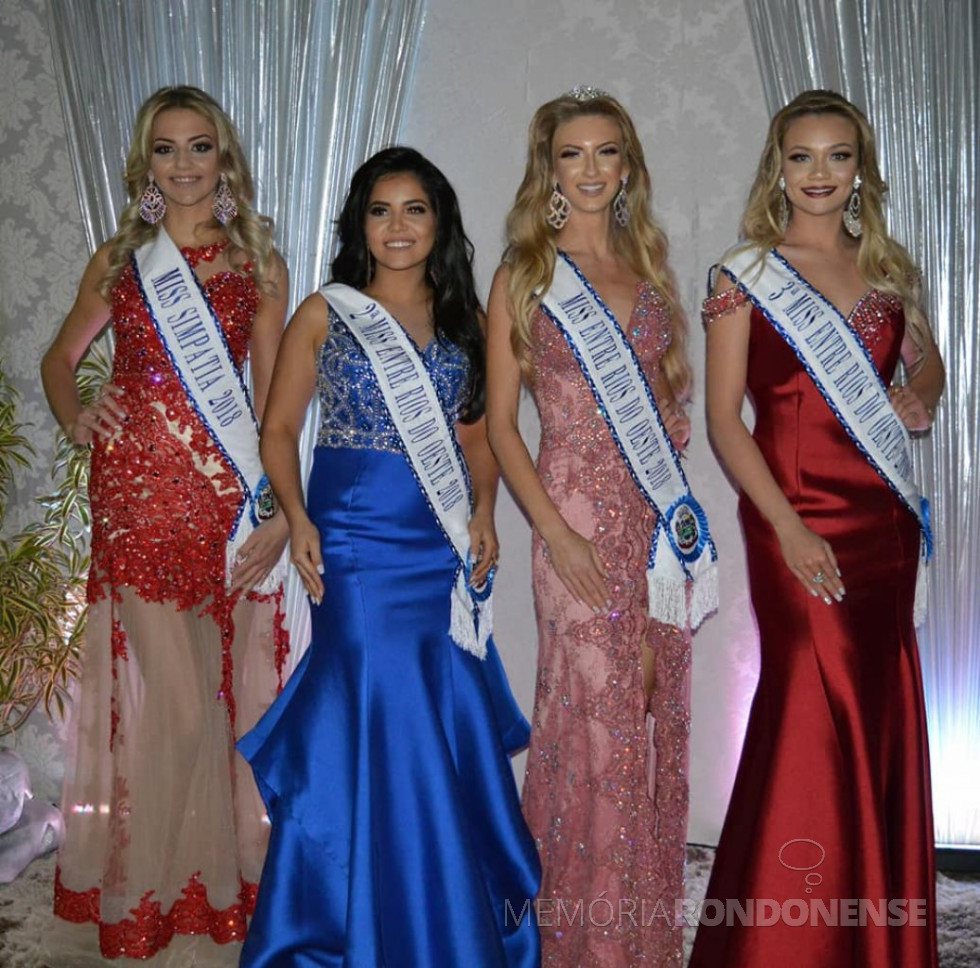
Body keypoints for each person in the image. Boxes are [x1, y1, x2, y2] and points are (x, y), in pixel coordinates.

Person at [238, 146, 540, 968]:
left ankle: (437, 901)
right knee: (375, 700)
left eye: (414, 209)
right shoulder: (324, 312)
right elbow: (277, 429)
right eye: (381, 209)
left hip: (433, 545)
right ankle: (361, 911)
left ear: (438, 220)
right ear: (359, 224)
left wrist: (482, 510)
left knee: (433, 707)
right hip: (353, 541)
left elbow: (476, 439)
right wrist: (295, 517)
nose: (397, 226)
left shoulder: (463, 321)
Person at [689, 89, 944, 968]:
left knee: (874, 706)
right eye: (802, 157)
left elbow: (928, 360)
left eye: (839, 156)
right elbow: (726, 421)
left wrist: (922, 394)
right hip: (791, 518)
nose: (820, 174)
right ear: (778, 168)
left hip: (881, 525)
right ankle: (781, 942)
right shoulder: (743, 274)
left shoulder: (887, 272)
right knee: (806, 702)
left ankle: (868, 932)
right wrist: (788, 529)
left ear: (860, 169)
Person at [40, 85, 290, 966]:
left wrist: (281, 513)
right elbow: (60, 357)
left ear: (225, 159)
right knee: (181, 714)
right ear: (144, 163)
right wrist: (78, 416)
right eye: (166, 150)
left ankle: (195, 888)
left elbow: (270, 407)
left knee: (213, 706)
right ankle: (150, 892)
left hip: (223, 503)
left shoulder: (260, 263)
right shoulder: (121, 258)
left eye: (200, 148)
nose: (184, 165)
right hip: (137, 499)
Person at [486, 87, 716, 967]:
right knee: (593, 724)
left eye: (606, 152)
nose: (590, 170)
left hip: (655, 534)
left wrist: (675, 526)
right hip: (571, 525)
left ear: (627, 165)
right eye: (572, 154)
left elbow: (666, 418)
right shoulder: (524, 275)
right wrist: (557, 534)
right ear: (549, 168)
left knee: (648, 718)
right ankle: (581, 945)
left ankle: (639, 938)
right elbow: (505, 427)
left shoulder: (648, 269)